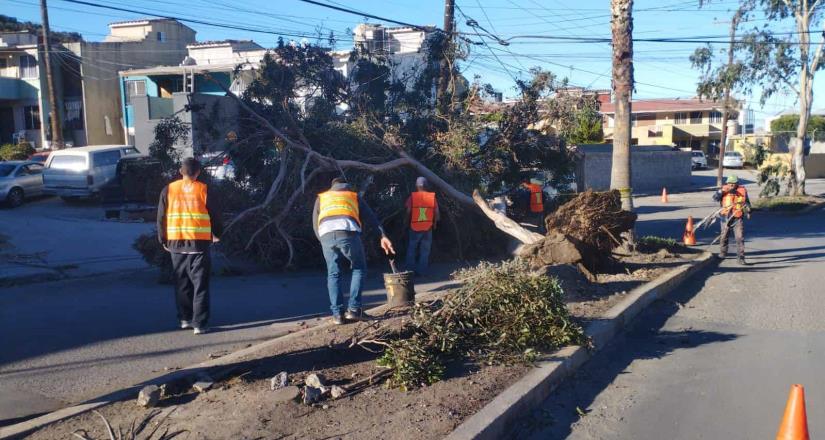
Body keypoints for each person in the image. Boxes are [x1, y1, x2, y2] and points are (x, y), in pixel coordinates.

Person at [313, 177, 395, 324]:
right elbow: (371, 217)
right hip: (347, 232)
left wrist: (323, 241)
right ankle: (355, 310)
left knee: (333, 273)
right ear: (346, 186)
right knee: (359, 268)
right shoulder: (352, 195)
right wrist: (383, 236)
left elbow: (315, 223)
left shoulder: (322, 197)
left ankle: (338, 315)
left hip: (325, 235)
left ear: (333, 187)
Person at [157, 158, 223, 335]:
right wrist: (217, 234)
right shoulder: (203, 189)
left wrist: (162, 239)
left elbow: (161, 217)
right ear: (198, 172)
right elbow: (215, 215)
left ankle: (184, 319)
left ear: (181, 171)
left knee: (181, 283)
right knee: (200, 285)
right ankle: (199, 324)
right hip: (198, 242)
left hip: (176, 242)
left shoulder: (169, 190)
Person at [713, 174, 751, 265]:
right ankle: (723, 253)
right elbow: (715, 198)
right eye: (730, 183)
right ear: (727, 183)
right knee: (724, 236)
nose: (731, 185)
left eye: (733, 183)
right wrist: (721, 192)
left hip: (737, 217)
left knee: (739, 238)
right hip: (725, 217)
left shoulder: (742, 190)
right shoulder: (723, 189)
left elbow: (747, 202)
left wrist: (748, 212)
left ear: (737, 183)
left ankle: (741, 258)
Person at [405, 176, 439, 276]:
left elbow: (408, 212)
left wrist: (405, 222)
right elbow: (436, 212)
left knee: (412, 249)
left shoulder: (412, 197)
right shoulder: (432, 197)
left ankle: (410, 272)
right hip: (428, 227)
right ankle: (422, 272)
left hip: (415, 227)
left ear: (416, 185)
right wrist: (435, 223)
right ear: (426, 186)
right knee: (425, 251)